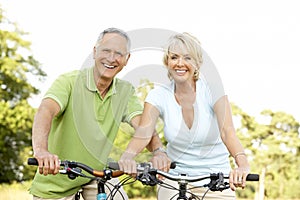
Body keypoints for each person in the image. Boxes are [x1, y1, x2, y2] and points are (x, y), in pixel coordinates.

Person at [29, 27, 169, 200]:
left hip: (97, 176)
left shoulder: (125, 91)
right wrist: (41, 151)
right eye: (106, 51)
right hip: (57, 179)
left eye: (118, 53)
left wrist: (158, 150)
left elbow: (144, 125)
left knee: (118, 196)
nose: (111, 58)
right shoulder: (69, 82)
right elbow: (45, 111)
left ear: (127, 59)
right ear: (95, 52)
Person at [118, 32, 251, 199]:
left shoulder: (213, 91)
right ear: (167, 62)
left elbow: (228, 132)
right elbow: (144, 133)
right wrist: (127, 157)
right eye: (174, 57)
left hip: (215, 178)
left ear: (197, 63)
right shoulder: (158, 95)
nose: (180, 63)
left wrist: (243, 165)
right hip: (175, 178)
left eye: (187, 58)